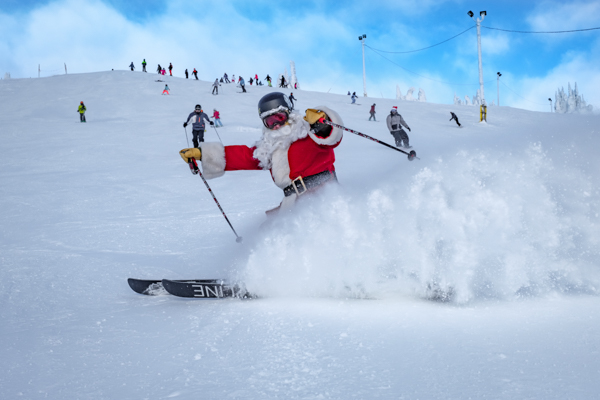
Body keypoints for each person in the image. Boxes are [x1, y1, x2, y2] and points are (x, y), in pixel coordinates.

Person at [179, 92, 344, 214]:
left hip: (322, 194)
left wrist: (322, 123)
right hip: (293, 201)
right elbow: (243, 156)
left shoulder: (308, 134)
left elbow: (332, 137)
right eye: (270, 122)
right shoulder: (270, 148)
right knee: (268, 230)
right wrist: (202, 153)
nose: (276, 125)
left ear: (289, 114)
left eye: (279, 117)